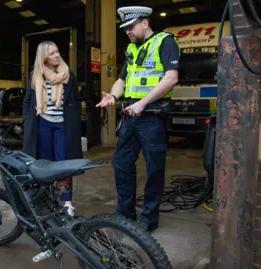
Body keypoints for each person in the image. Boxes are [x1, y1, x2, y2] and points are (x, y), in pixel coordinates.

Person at [96, 6, 180, 232]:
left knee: (154, 169)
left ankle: (149, 219)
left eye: (131, 27)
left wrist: (143, 102)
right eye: (125, 28)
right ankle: (125, 213)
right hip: (131, 117)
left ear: (145, 23)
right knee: (121, 163)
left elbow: (171, 78)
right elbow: (122, 79)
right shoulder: (132, 49)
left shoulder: (165, 42)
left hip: (152, 116)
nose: (128, 32)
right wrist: (113, 95)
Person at [22, 40, 83, 216]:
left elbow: (76, 101)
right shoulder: (35, 76)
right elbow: (27, 101)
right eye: (52, 53)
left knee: (64, 163)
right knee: (45, 164)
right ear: (43, 57)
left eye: (57, 52)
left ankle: (66, 202)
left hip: (63, 124)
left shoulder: (68, 75)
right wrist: (27, 121)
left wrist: (75, 120)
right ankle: (47, 200)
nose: (57, 55)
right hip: (42, 124)